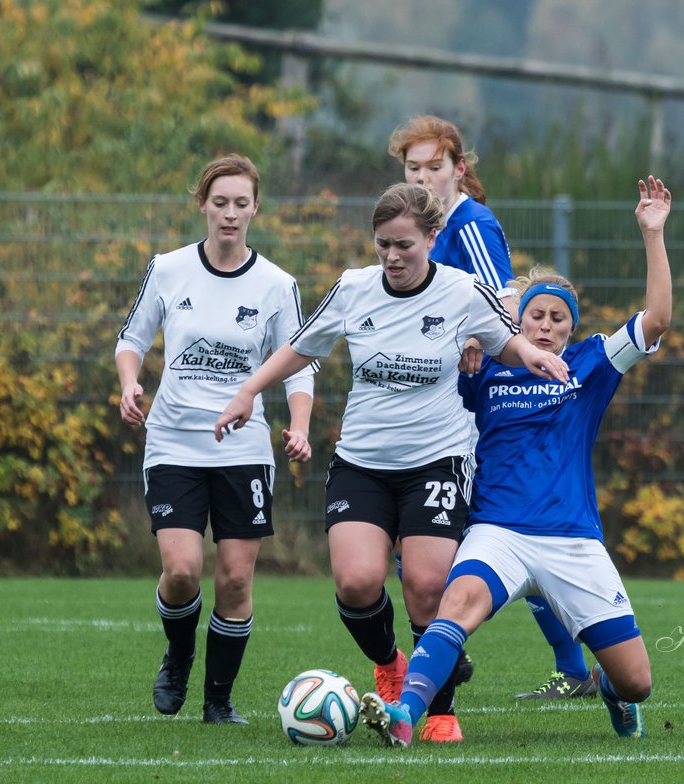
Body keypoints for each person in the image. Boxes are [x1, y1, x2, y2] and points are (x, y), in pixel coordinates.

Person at [213, 182, 570, 743]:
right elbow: (299, 348)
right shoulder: (354, 290)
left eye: (404, 244)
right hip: (363, 461)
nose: (392, 257)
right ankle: (389, 663)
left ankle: (441, 711)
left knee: (428, 588)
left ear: (431, 238)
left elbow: (505, 343)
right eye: (382, 245)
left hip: (438, 460)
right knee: (356, 583)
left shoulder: (460, 291)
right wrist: (247, 391)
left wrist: (533, 356)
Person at [357, 175, 674, 747]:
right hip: (497, 529)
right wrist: (462, 356)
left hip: (572, 538)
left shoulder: (590, 365)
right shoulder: (487, 367)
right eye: (536, 316)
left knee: (637, 683)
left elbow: (656, 320)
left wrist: (652, 234)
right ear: (519, 323)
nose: (546, 326)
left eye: (558, 317)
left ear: (571, 327)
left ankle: (609, 691)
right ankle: (405, 713)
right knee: (457, 602)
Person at [390, 114, 596, 701]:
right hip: (438, 397)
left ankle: (443, 652)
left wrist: (488, 362)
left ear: (459, 168)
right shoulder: (419, 227)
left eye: (435, 166)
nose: (425, 177)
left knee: (468, 536)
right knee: (457, 539)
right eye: (413, 168)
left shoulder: (470, 224)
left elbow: (503, 305)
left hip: (471, 404)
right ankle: (567, 667)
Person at [115, 154, 314, 725]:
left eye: (241, 203)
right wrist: (131, 383)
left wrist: (298, 427)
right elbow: (132, 338)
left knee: (234, 576)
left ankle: (218, 700)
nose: (230, 214)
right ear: (202, 204)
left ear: (256, 208)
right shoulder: (168, 268)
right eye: (220, 202)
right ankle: (178, 657)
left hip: (245, 448)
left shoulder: (278, 285)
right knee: (180, 571)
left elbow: (299, 366)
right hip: (174, 441)